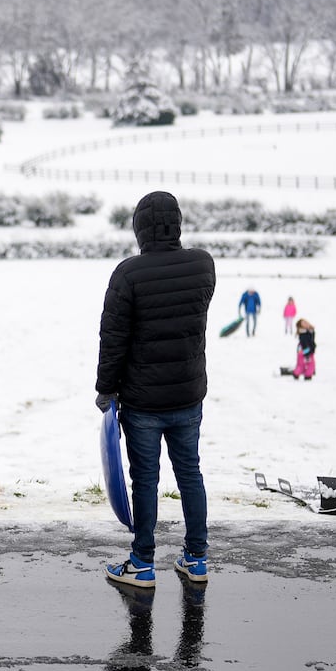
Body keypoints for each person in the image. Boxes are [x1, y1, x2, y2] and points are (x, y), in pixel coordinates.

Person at [95, 191, 216, 589]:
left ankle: (142, 563)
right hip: (187, 395)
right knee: (190, 475)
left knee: (144, 481)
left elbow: (113, 339)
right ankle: (196, 558)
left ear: (139, 228)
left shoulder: (128, 274)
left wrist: (105, 389)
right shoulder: (202, 266)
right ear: (177, 224)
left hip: (142, 401)